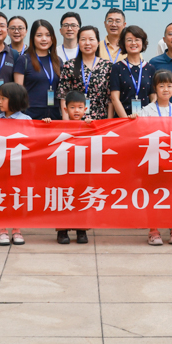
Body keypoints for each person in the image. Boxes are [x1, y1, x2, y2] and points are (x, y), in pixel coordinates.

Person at [135, 70, 172, 245]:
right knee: (153, 195)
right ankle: (153, 231)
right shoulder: (146, 111)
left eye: (169, 86)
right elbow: (139, 132)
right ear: (155, 88)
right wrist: (133, 120)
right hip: (153, 160)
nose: (165, 89)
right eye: (161, 86)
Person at [0, 82, 30, 246]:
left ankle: (17, 229)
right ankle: (2, 230)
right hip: (0, 166)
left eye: (3, 98)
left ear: (15, 99)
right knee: (1, 196)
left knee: (17, 196)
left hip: (19, 167)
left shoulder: (27, 120)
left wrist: (46, 124)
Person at [55, 91, 93, 246]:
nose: (76, 111)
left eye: (80, 107)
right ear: (65, 109)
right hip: (64, 169)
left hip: (82, 170)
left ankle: (81, 230)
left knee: (82, 197)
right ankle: (62, 230)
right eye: (72, 107)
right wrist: (47, 123)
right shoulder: (59, 126)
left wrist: (93, 126)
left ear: (85, 109)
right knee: (64, 195)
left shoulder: (89, 125)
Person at [57, 26, 112, 121]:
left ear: (98, 42)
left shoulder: (107, 66)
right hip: (75, 120)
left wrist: (108, 122)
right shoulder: (69, 65)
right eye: (83, 39)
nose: (87, 43)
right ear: (78, 42)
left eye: (91, 39)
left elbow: (110, 98)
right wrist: (66, 122)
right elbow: (63, 95)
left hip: (99, 120)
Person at [110, 25, 154, 118]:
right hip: (123, 120)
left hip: (145, 119)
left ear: (143, 42)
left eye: (137, 39)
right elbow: (114, 98)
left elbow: (154, 98)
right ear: (123, 43)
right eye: (129, 40)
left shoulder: (150, 68)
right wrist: (126, 121)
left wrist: (146, 117)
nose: (133, 43)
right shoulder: (116, 68)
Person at [23, 19, 62, 120]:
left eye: (48, 35)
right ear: (33, 38)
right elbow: (18, 92)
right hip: (30, 115)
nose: (44, 39)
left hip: (54, 115)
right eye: (39, 35)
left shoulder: (58, 61)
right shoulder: (24, 60)